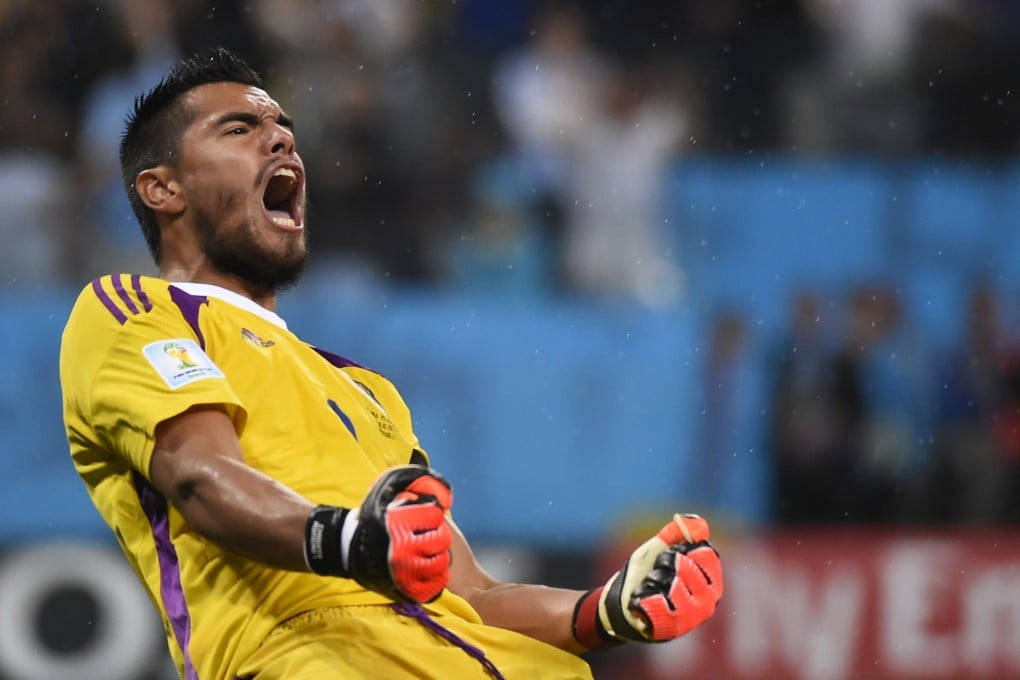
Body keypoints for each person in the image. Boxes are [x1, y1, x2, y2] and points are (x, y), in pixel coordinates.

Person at [59, 48, 722, 680]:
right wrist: (349, 539)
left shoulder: (362, 387)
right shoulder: (133, 311)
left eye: (285, 130)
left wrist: (606, 609)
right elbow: (203, 477)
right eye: (239, 128)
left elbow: (470, 595)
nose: (282, 140)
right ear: (162, 189)